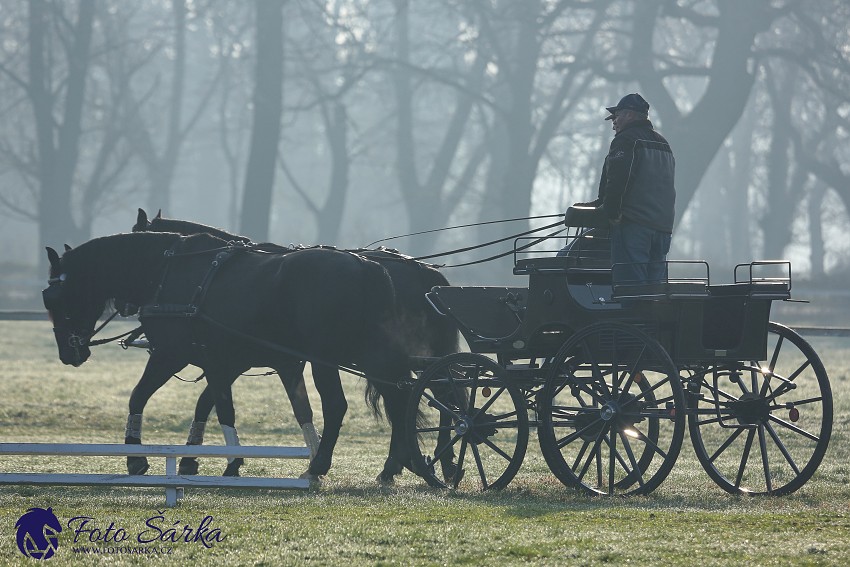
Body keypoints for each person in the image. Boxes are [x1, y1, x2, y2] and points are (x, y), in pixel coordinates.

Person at [577, 93, 676, 286]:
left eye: (616, 117)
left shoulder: (626, 140)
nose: (613, 123)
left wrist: (611, 213)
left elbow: (618, 181)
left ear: (629, 115)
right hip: (663, 228)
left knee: (631, 287)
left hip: (634, 225)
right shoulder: (664, 144)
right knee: (655, 290)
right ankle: (653, 317)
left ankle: (633, 315)